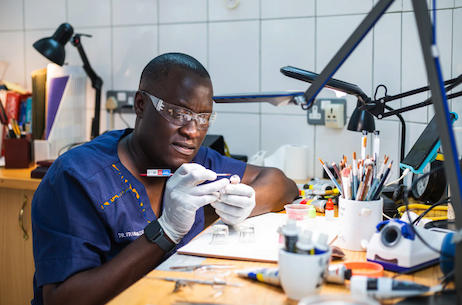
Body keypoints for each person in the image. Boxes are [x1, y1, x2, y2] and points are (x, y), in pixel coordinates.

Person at [31, 53, 299, 305]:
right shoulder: (79, 177)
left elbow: (282, 183)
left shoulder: (192, 161)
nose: (192, 131)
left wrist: (249, 202)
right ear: (140, 105)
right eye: (178, 113)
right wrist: (165, 231)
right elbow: (63, 299)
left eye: (203, 118)